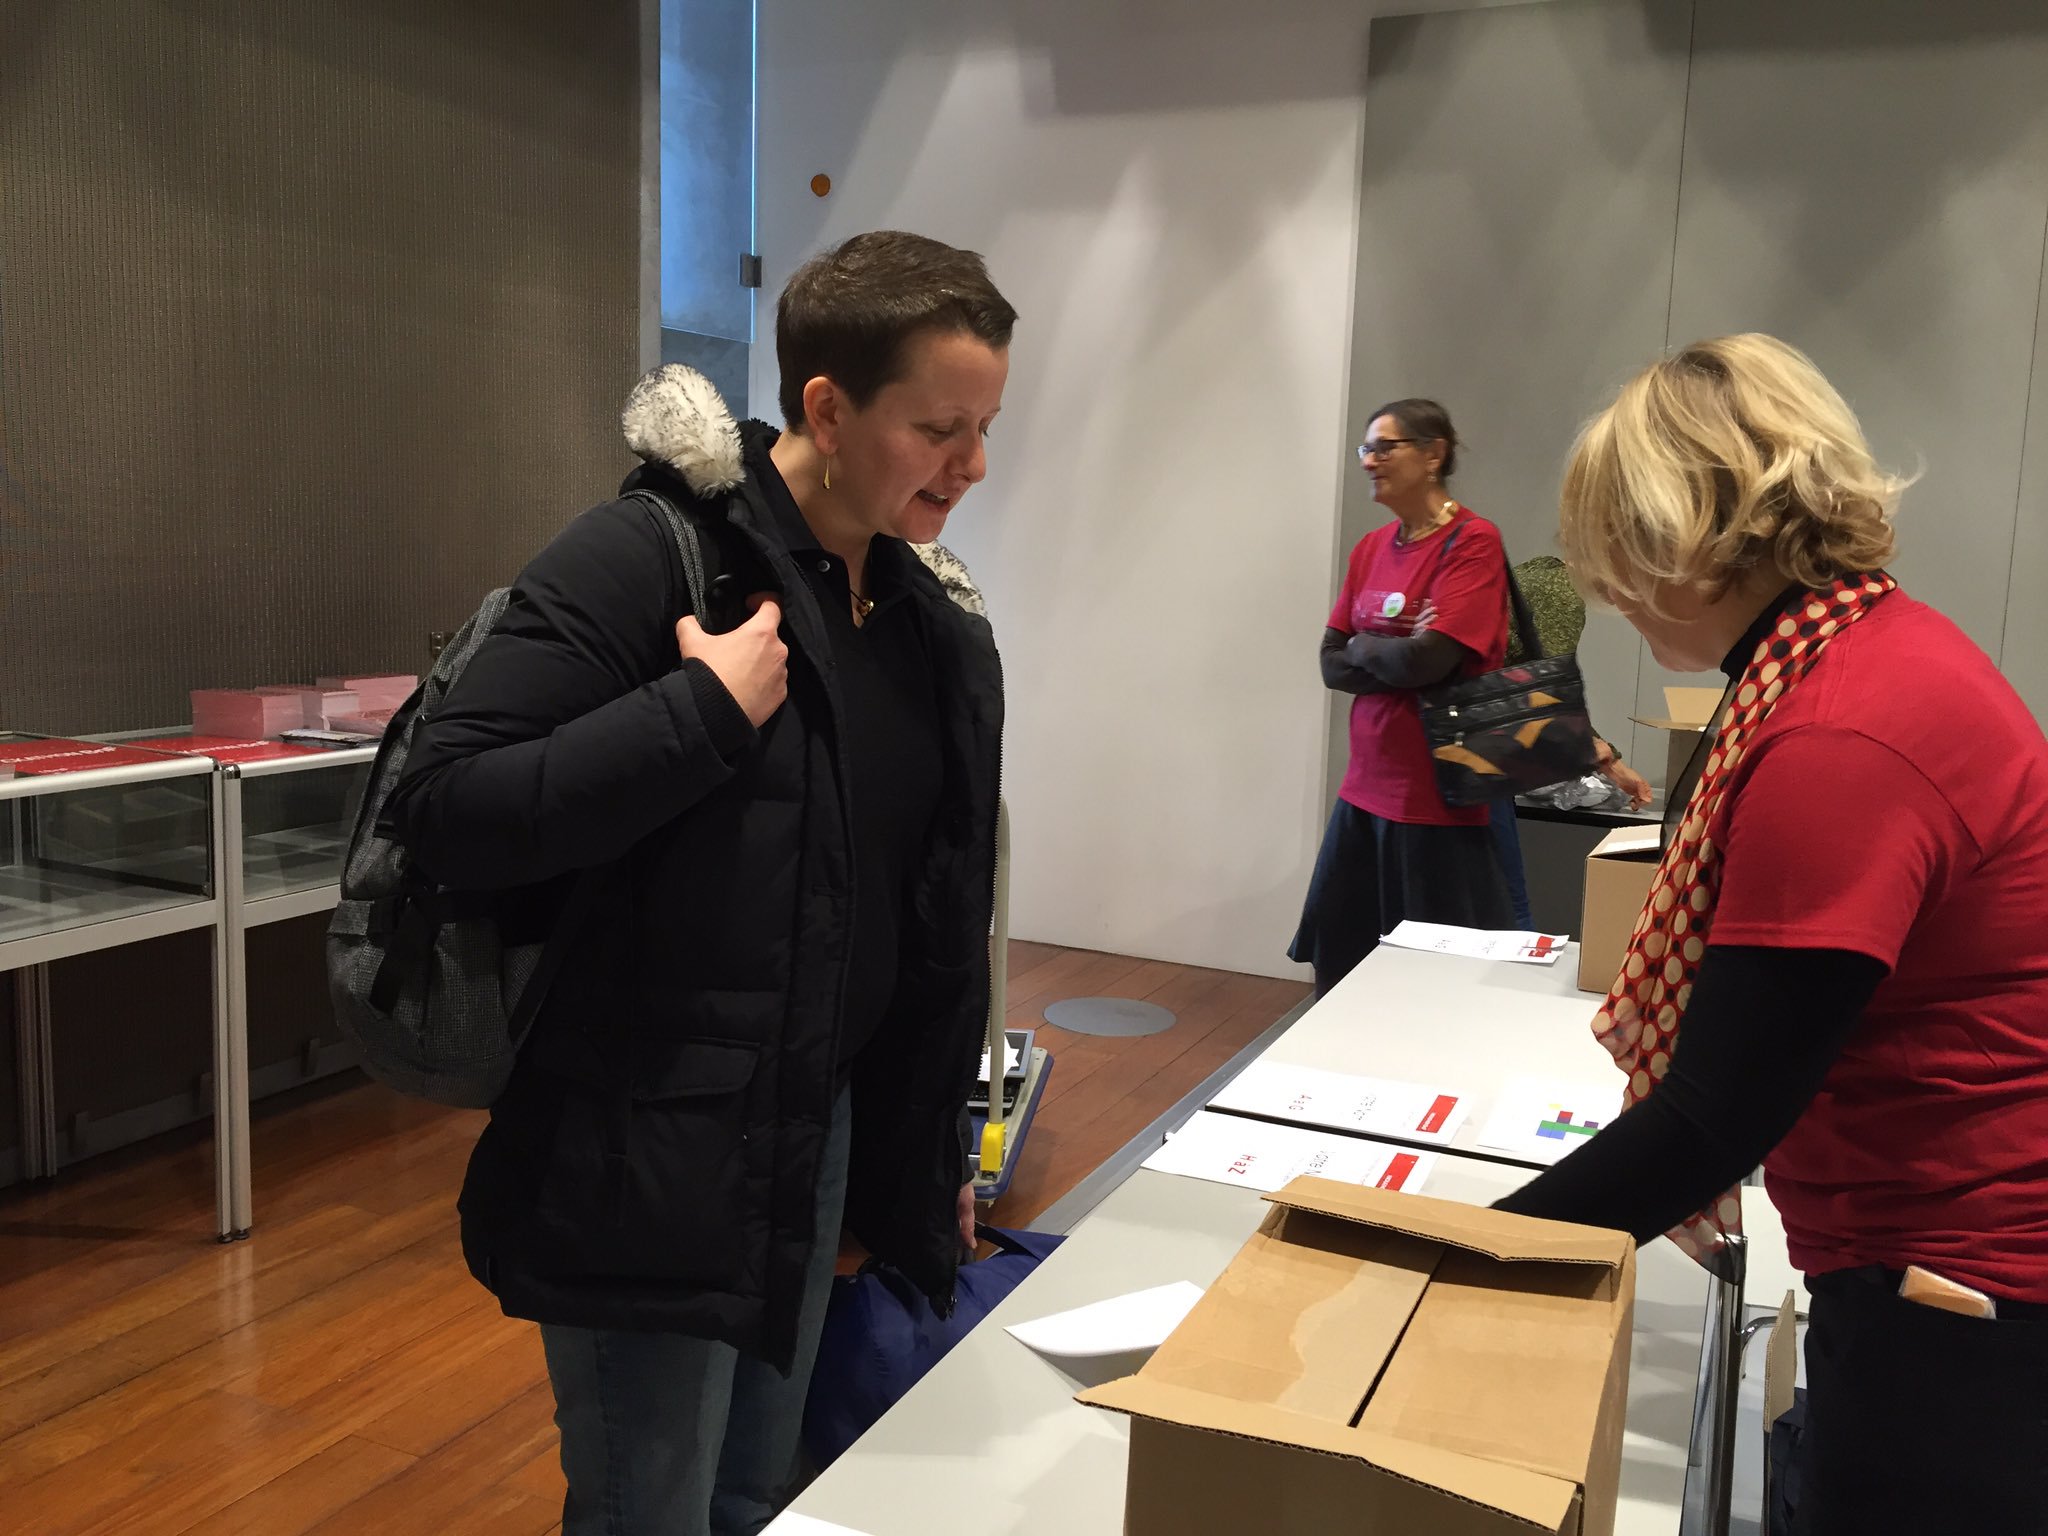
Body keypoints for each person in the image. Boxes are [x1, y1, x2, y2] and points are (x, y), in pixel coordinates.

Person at [384, 230, 1014, 1536]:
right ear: (828, 411)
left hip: (813, 1127)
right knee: (648, 1511)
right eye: (941, 428)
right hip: (645, 1151)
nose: (975, 467)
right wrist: (697, 719)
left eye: (986, 426)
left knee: (752, 1495)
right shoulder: (647, 560)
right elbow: (450, 807)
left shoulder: (922, 622)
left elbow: (920, 922)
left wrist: (927, 1144)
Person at [1495, 334, 2048, 1534]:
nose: (1603, 590)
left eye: (1615, 553)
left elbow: (1716, 1113)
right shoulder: (1856, 653)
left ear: (1684, 540)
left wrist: (1452, 1258)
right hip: (1935, 1250)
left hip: (1966, 1284)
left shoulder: (1836, 735)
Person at [1291, 399, 1514, 997]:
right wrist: (1385, 647)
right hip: (1364, 793)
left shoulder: (1473, 543)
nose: (1370, 461)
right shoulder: (1371, 548)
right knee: (1339, 967)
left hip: (1435, 805)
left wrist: (1368, 647)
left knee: (1432, 984)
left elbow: (1430, 659)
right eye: (1366, 449)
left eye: (1384, 447)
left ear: (1434, 453)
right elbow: (1330, 664)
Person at [1487, 553, 1653, 928]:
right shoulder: (1559, 590)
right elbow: (1551, 689)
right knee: (1506, 906)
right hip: (1476, 759)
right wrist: (1609, 763)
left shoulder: (1539, 574)